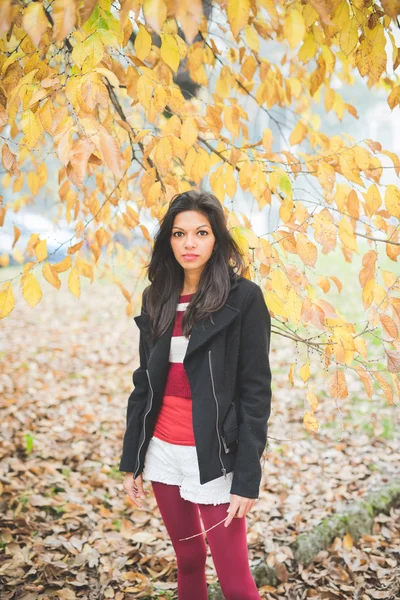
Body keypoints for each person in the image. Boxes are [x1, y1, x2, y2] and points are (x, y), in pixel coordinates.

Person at [119, 190, 272, 600]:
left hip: (214, 455)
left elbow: (256, 392)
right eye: (179, 233)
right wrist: (132, 459)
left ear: (217, 239)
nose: (189, 243)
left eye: (201, 233)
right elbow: (144, 384)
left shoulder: (244, 298)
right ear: (167, 241)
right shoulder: (157, 298)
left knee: (234, 577)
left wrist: (247, 477)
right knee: (187, 561)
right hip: (163, 451)